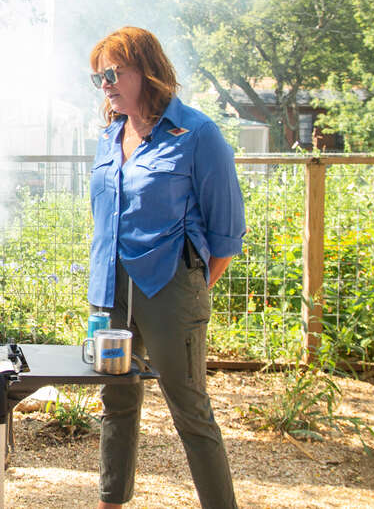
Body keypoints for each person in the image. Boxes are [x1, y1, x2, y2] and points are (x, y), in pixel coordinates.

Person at [87, 27, 245, 509]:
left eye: (112, 73)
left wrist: (186, 292)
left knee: (190, 410)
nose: (105, 84)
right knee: (116, 403)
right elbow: (104, 221)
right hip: (110, 292)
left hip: (171, 290)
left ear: (145, 70)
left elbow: (227, 233)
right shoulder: (109, 137)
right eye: (98, 78)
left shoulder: (197, 134)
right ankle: (111, 502)